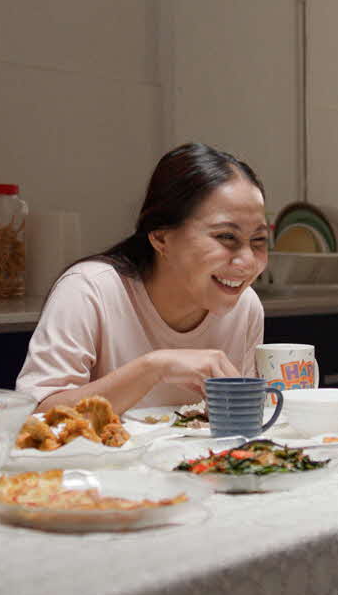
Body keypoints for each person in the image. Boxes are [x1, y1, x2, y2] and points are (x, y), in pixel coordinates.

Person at [16, 143, 269, 414]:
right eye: (226, 237)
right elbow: (38, 413)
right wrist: (155, 368)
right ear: (161, 237)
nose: (247, 262)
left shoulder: (245, 306)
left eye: (259, 240)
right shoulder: (89, 290)